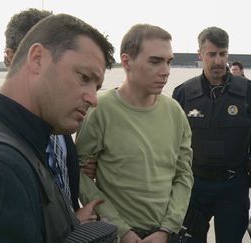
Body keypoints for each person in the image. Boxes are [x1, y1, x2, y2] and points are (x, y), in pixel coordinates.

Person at [0, 13, 115, 242]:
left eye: (97, 87)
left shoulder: (28, 139)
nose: (93, 99)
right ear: (37, 58)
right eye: (84, 77)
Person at [76, 24, 193, 242]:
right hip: (116, 235)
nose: (165, 71)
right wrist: (121, 230)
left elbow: (184, 174)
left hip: (165, 235)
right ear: (127, 61)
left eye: (169, 62)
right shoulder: (99, 110)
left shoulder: (175, 112)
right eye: (155, 61)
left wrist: (167, 229)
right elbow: (81, 175)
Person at [172, 26, 251, 243]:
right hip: (194, 187)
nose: (218, 61)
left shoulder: (248, 91)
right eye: (212, 54)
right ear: (200, 55)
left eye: (223, 54)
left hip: (233, 187)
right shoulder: (183, 93)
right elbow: (170, 145)